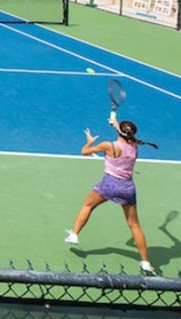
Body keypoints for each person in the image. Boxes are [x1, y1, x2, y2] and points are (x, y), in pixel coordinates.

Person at [65, 116, 158, 275]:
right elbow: (125, 134)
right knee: (135, 226)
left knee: (88, 206)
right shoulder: (135, 145)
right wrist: (115, 123)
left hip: (108, 185)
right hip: (127, 188)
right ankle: (145, 263)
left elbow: (84, 152)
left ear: (119, 131)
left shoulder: (108, 145)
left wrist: (89, 140)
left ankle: (74, 234)